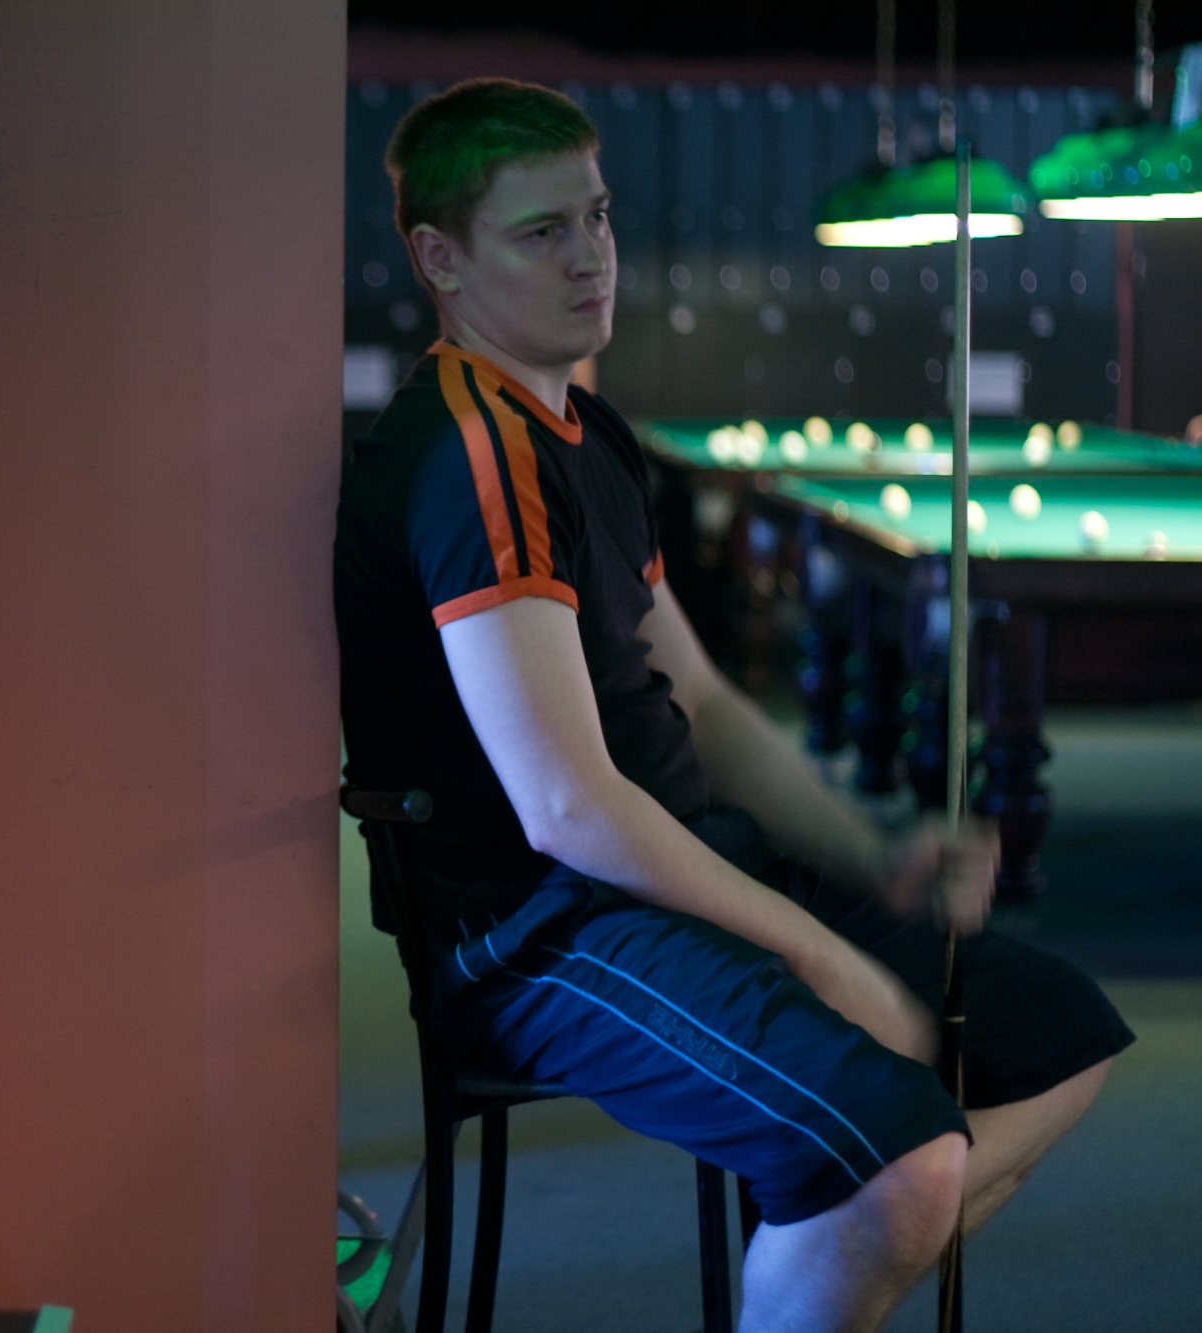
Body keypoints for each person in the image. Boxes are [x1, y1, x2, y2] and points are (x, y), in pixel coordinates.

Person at [334, 79, 1132, 1332]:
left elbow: (699, 700)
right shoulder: (467, 455)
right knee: (900, 1165)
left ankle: (829, 1234)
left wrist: (870, 854)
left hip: (679, 871)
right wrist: (816, 953)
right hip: (540, 933)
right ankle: (850, 1208)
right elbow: (563, 810)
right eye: (541, 232)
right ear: (439, 259)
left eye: (596, 217)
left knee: (1056, 1036)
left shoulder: (587, 433)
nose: (590, 256)